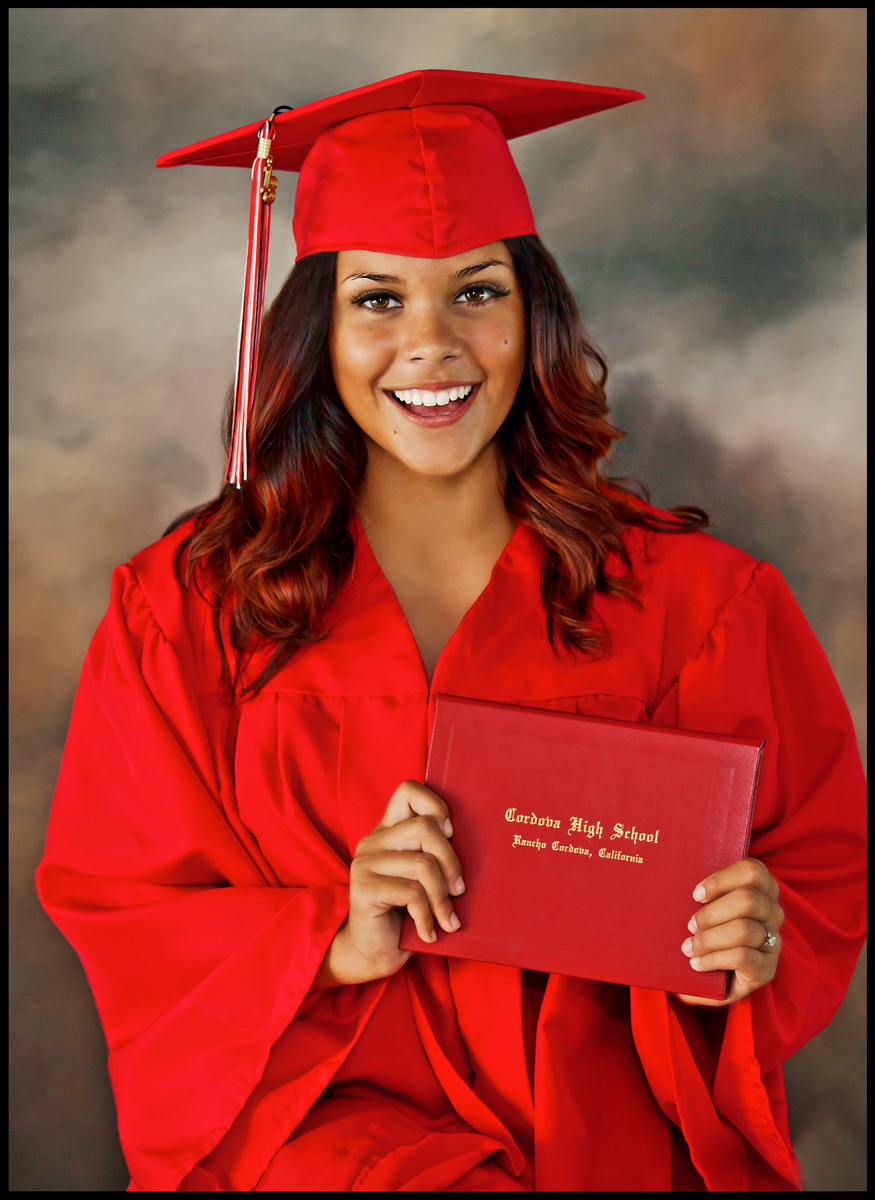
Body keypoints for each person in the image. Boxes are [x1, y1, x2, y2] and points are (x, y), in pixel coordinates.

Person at [35, 70, 865, 1192]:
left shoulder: (694, 603)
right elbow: (124, 902)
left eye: (476, 293)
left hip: (608, 1147)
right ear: (312, 333)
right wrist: (329, 933)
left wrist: (750, 944)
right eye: (377, 299)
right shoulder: (189, 611)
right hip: (320, 1147)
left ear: (536, 317)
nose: (432, 345)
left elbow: (815, 865)